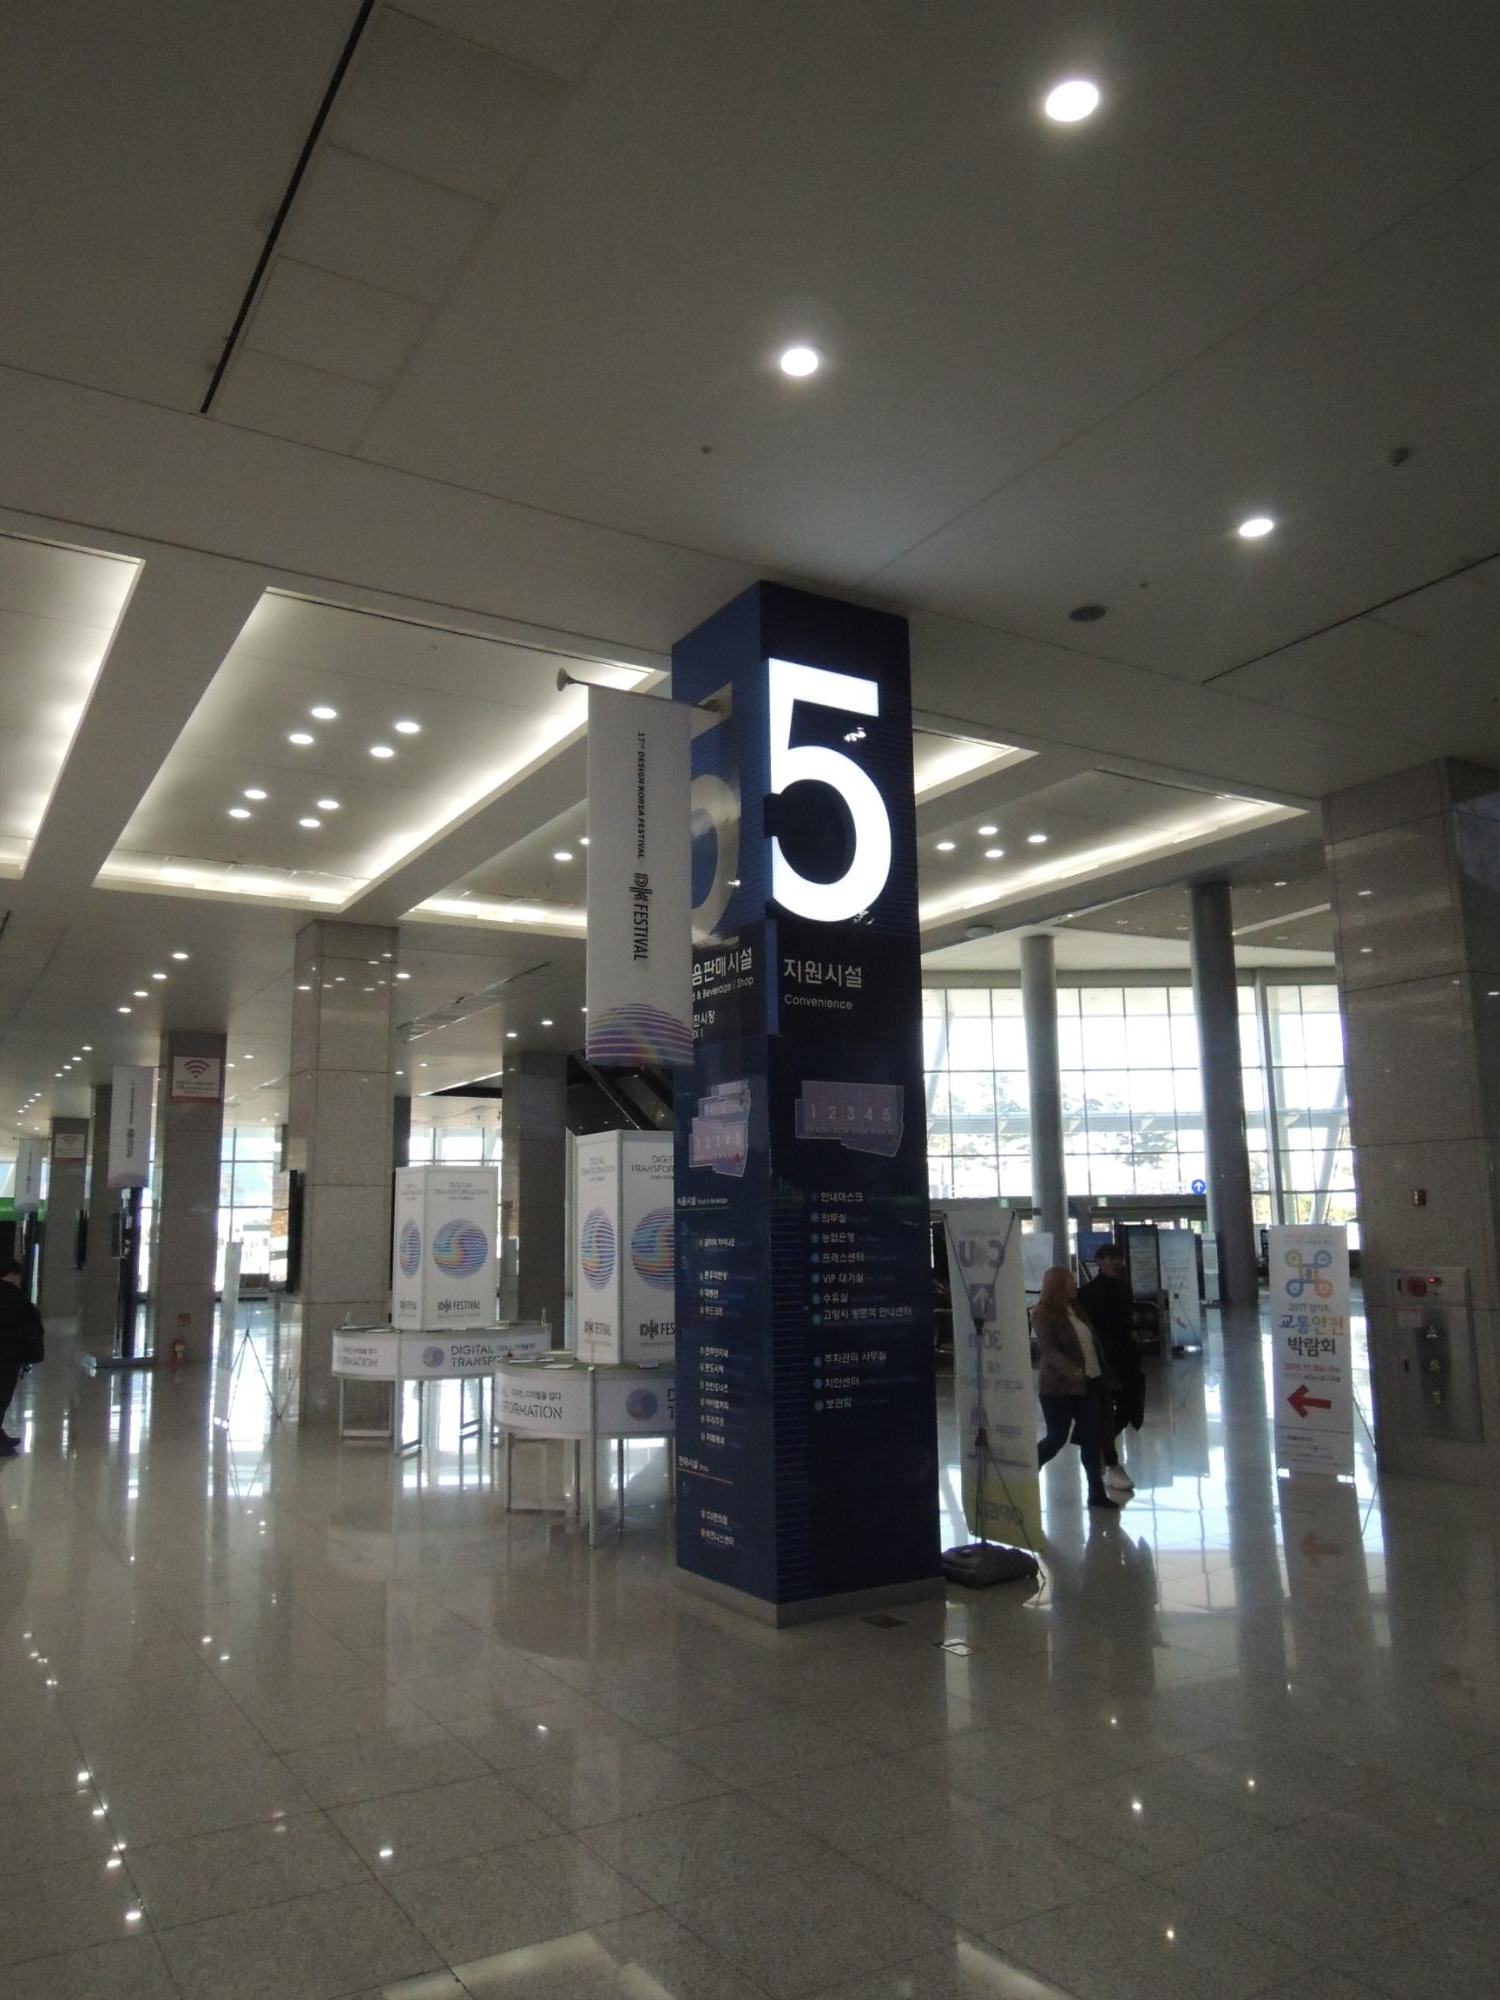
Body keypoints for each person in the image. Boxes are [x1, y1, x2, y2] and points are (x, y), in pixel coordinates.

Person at [1032, 1265, 1117, 1510]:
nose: (1074, 1284)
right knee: (1056, 1438)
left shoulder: (1077, 1310)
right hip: (1058, 1389)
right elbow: (1050, 1351)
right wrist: (1073, 1371)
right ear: (1058, 1285)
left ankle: (1096, 1493)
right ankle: (1026, 1472)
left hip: (1089, 1384)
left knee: (1092, 1440)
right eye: (1070, 1280)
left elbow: (1091, 1344)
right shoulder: (1042, 1314)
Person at [1078, 1241, 1144, 1495]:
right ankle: (1110, 1459)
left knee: (1127, 1409)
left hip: (1125, 1357)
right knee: (1106, 1410)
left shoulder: (1123, 1288)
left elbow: (1126, 1320)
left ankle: (1098, 1446)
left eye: (1116, 1258)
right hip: (1103, 1358)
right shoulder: (1087, 1293)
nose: (1114, 1262)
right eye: (1108, 1258)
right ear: (1099, 1260)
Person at [0, 1259, 44, 1456]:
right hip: (9, 1354)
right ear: (12, 1274)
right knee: (3, 1394)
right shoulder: (13, 1295)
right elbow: (32, 1317)